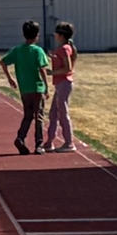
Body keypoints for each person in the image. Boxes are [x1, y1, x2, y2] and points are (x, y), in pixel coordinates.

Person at [1, 20, 50, 155]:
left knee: (28, 116)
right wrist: (46, 86)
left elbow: (3, 62)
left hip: (25, 89)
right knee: (39, 116)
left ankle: (20, 137)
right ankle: (39, 144)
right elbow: (42, 69)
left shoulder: (17, 50)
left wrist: (10, 78)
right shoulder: (38, 51)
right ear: (37, 35)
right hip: (37, 87)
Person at [44, 21, 77, 153]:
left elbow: (67, 68)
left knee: (63, 113)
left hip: (64, 83)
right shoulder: (62, 49)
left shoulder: (64, 49)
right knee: (53, 113)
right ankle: (49, 141)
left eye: (56, 33)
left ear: (61, 36)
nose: (54, 35)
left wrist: (52, 72)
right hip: (60, 84)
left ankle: (69, 143)